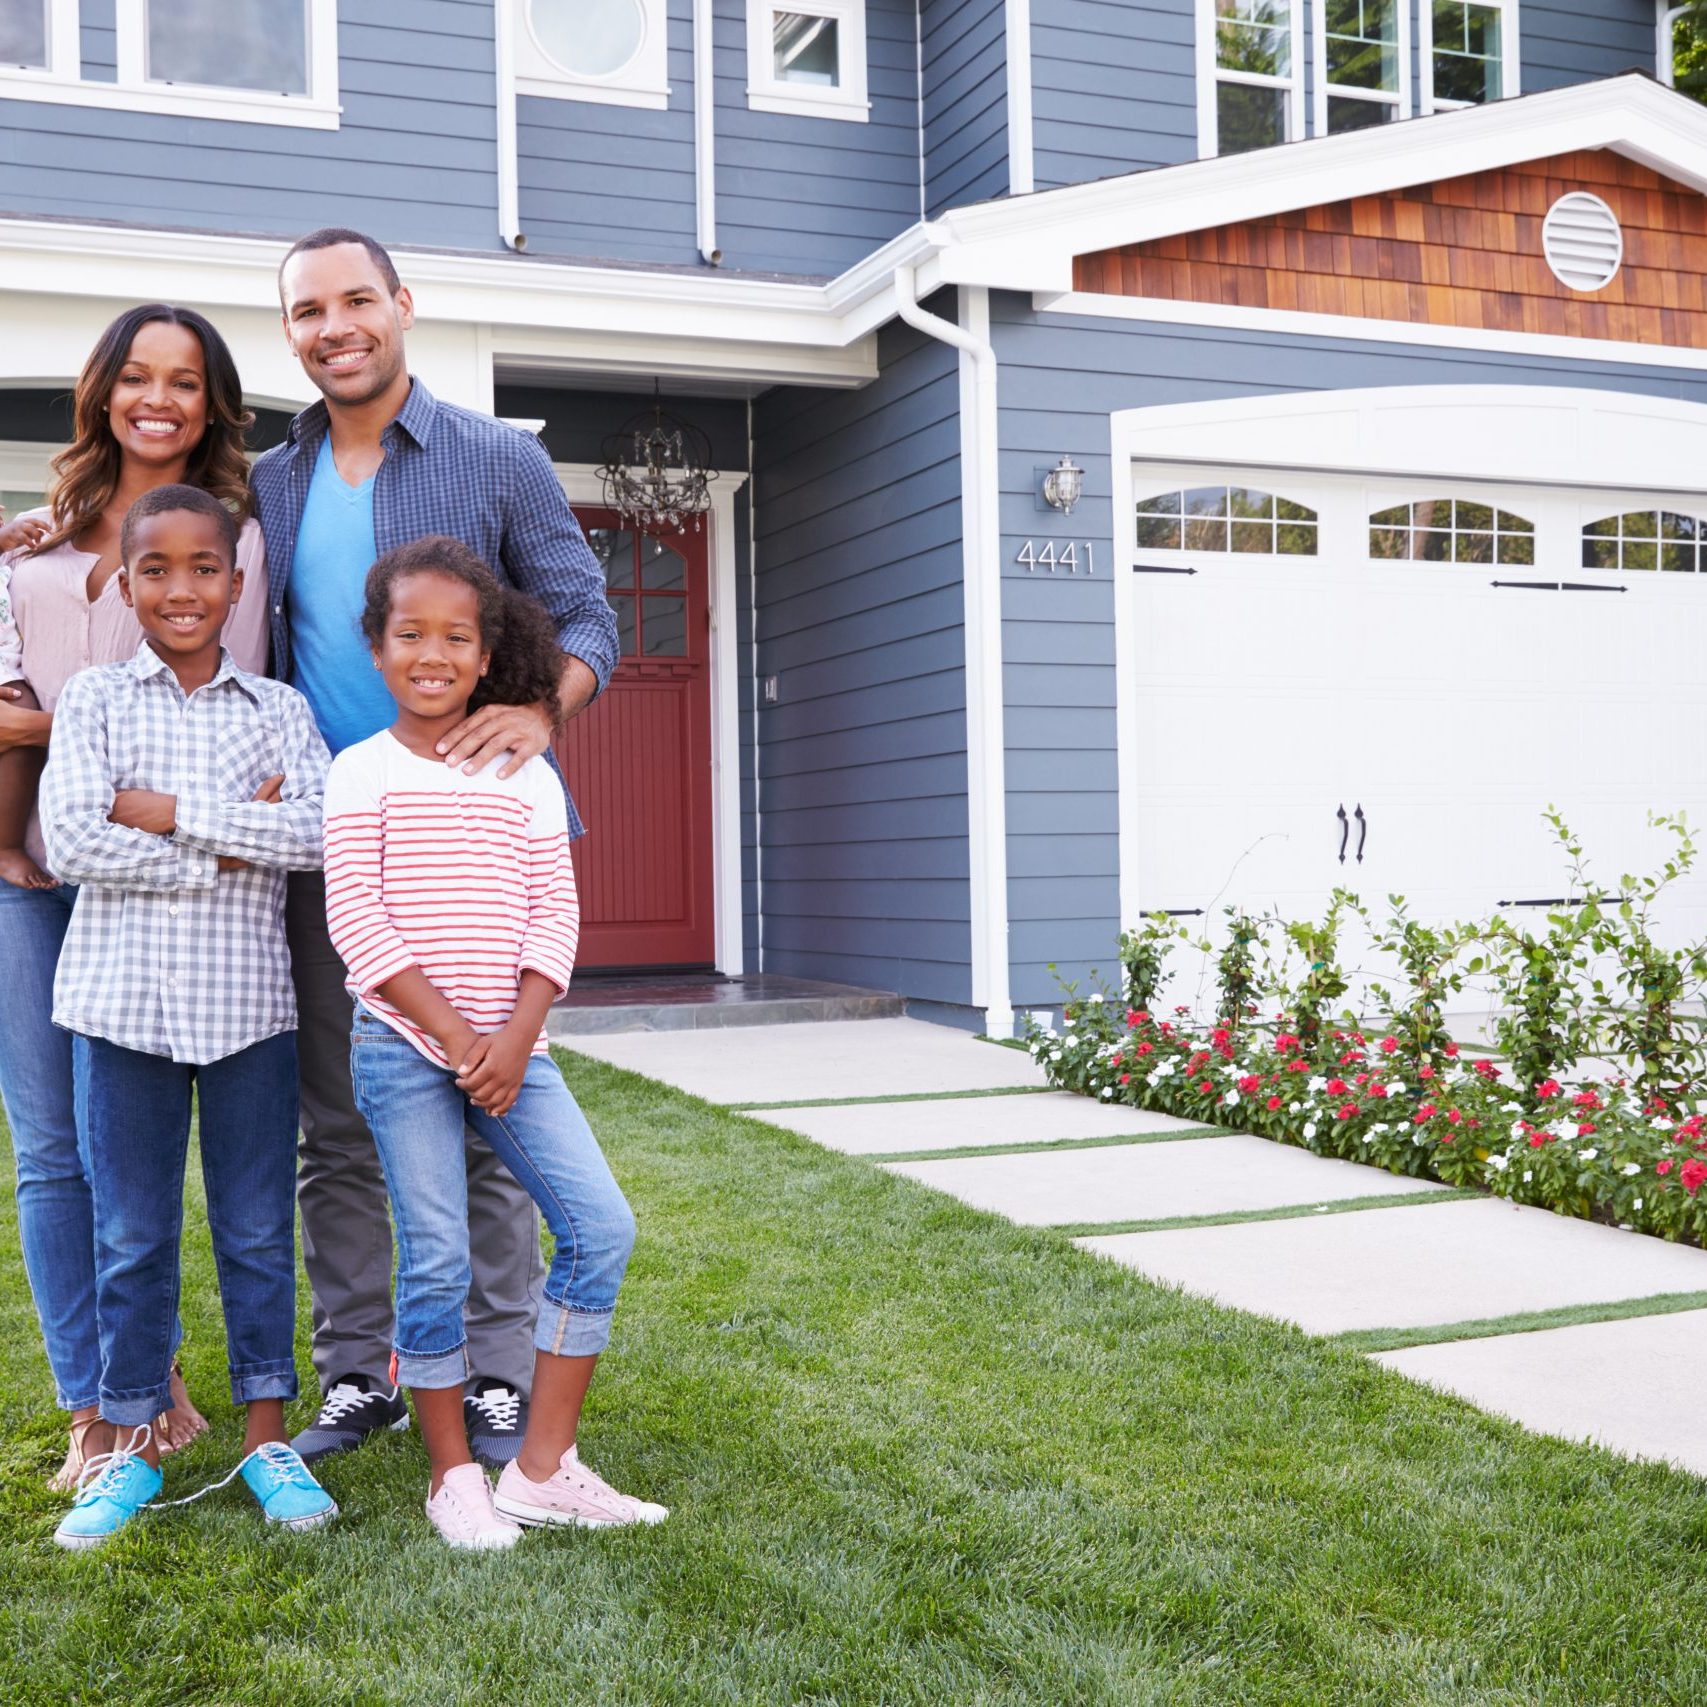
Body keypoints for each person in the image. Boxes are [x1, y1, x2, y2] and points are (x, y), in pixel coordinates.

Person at [253, 227, 619, 1468]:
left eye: (357, 299)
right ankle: (360, 1373)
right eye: (309, 310)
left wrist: (542, 707)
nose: (334, 325)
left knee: (493, 1115)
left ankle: (499, 1375)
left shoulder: (494, 458)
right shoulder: (271, 480)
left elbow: (586, 614)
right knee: (341, 1123)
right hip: (340, 845)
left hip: (485, 843)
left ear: (403, 306)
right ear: (291, 332)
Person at [323, 537, 659, 1548]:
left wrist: (516, 1039)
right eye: (410, 633)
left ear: (486, 653)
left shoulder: (527, 774)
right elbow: (360, 927)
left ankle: (543, 1470)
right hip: (402, 1046)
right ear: (376, 650)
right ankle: (452, 1475)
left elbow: (553, 917)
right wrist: (461, 1037)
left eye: (456, 636)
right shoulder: (359, 773)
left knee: (600, 1230)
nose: (433, 652)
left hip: (517, 1048)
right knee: (435, 1259)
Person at [0, 303, 270, 1488]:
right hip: (33, 872)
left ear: (211, 403)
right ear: (103, 390)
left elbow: (239, 709)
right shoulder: (35, 546)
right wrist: (72, 740)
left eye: (186, 381)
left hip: (170, 889)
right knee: (54, 1150)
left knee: (148, 1156)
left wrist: (63, 728)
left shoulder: (240, 542)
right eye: (137, 377)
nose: (159, 399)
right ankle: (98, 1409)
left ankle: (149, 1382)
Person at [40, 485, 334, 1548]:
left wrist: (163, 815)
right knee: (130, 1232)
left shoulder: (280, 713)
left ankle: (267, 1436)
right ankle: (127, 1441)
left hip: (249, 1010)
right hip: (119, 1010)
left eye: (203, 568)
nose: (180, 589)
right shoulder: (93, 703)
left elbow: (313, 834)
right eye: (155, 569)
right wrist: (226, 839)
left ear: (237, 582)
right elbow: (71, 839)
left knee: (257, 1228)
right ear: (127, 583)